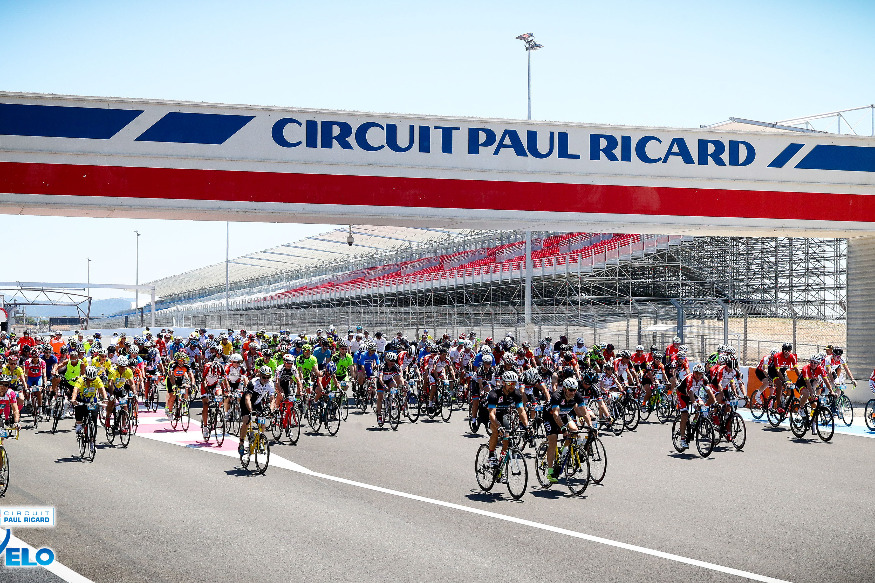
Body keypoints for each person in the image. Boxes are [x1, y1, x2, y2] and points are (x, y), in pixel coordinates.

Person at [544, 377, 591, 483]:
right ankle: (550, 471)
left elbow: (584, 411)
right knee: (553, 441)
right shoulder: (557, 396)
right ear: (565, 389)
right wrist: (563, 429)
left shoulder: (577, 395)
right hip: (550, 417)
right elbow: (556, 415)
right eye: (570, 390)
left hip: (564, 416)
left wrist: (590, 426)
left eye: (575, 390)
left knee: (575, 431)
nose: (573, 392)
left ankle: (563, 451)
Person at [484, 370, 531, 468]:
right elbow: (492, 415)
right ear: (504, 383)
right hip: (489, 412)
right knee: (496, 431)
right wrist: (498, 426)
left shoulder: (517, 394)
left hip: (503, 413)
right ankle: (491, 455)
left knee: (507, 436)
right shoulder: (494, 394)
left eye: (514, 383)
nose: (512, 386)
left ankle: (502, 460)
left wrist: (527, 425)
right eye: (510, 383)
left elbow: (521, 411)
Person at [238, 365, 276, 456]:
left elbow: (272, 398)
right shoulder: (253, 383)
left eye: (268, 377)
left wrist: (271, 410)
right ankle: (241, 443)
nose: (266, 379)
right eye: (264, 377)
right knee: (246, 420)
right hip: (247, 402)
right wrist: (251, 411)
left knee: (262, 421)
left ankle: (260, 440)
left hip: (257, 402)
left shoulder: (270, 384)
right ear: (260, 375)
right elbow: (247, 398)